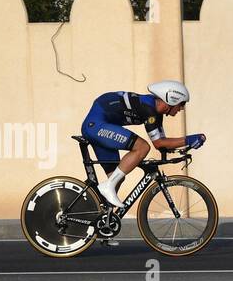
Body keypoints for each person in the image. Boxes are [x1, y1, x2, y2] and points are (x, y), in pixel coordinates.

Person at [81, 79, 205, 208]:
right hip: (96, 126)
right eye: (181, 104)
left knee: (117, 176)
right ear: (172, 100)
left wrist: (180, 149)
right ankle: (107, 186)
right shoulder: (149, 109)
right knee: (142, 147)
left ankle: (100, 217)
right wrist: (188, 139)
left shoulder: (155, 112)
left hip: (101, 125)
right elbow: (158, 143)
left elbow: (163, 144)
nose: (182, 108)